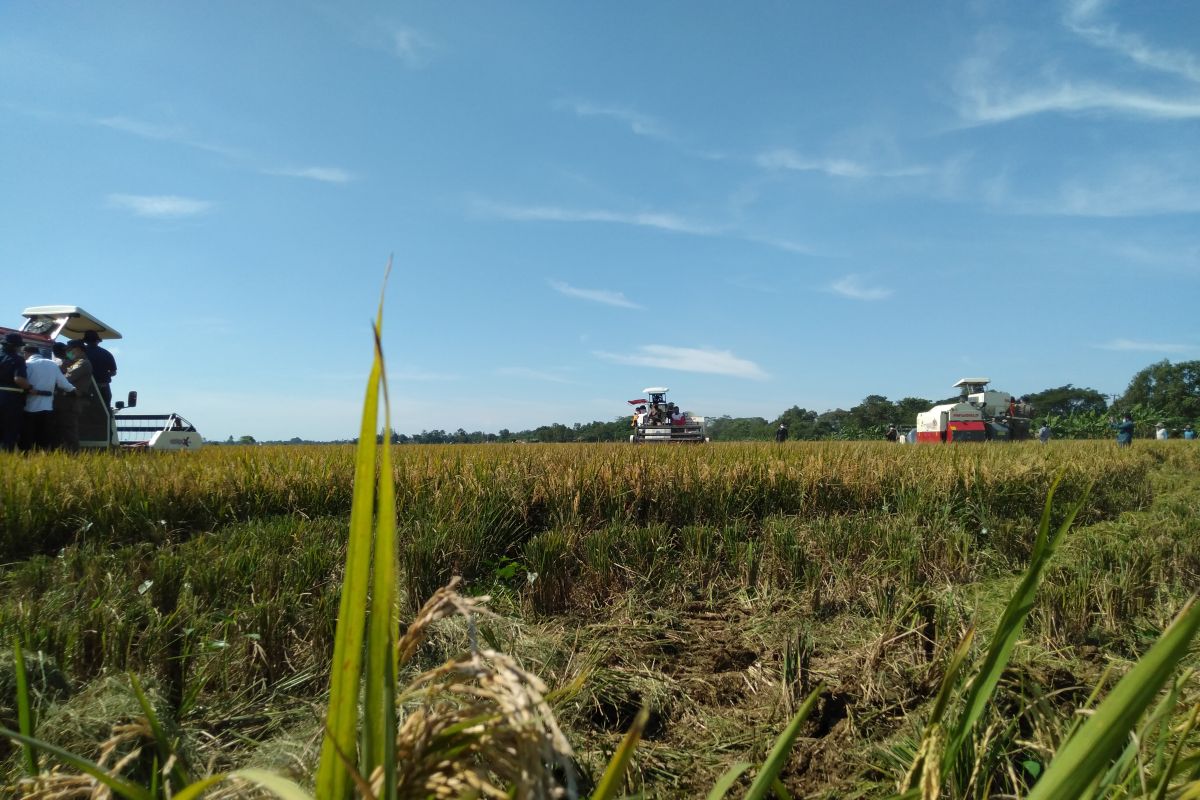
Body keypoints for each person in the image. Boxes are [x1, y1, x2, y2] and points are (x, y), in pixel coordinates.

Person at [22, 344, 74, 450]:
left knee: (28, 441)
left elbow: (22, 382)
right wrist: (73, 390)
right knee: (44, 441)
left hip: (29, 408)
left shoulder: (27, 364)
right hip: (47, 408)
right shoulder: (52, 364)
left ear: (26, 353)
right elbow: (64, 384)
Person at [55, 339, 94, 452]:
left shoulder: (82, 363)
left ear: (79, 349)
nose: (68, 353)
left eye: (70, 350)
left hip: (72, 401)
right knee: (63, 429)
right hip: (66, 400)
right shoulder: (74, 362)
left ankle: (73, 455)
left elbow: (66, 378)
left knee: (69, 431)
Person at [0, 333, 33, 451]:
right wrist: (29, 387)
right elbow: (19, 379)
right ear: (15, 347)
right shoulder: (17, 359)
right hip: (10, 399)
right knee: (9, 431)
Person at [82, 330, 117, 407]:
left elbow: (70, 364)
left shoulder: (79, 353)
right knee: (105, 410)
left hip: (85, 388)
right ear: (97, 341)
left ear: (86, 341)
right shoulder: (107, 354)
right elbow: (114, 372)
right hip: (103, 388)